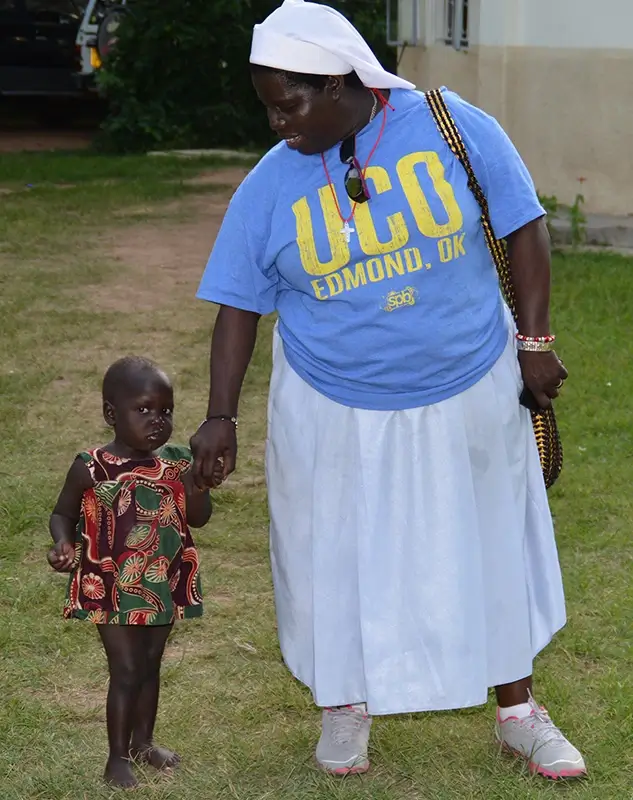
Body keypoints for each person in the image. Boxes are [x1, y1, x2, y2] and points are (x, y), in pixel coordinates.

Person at [191, 0, 586, 781]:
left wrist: (535, 342)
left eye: (289, 103)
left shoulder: (451, 125)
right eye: (268, 106)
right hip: (332, 401)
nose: (277, 123)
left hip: (466, 379)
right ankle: (345, 708)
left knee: (490, 540)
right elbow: (237, 306)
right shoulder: (271, 185)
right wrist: (219, 416)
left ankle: (518, 714)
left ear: (341, 81)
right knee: (331, 554)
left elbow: (521, 223)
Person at [47, 356, 215, 788]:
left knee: (150, 663)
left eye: (165, 410)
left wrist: (196, 484)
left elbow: (198, 519)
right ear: (111, 414)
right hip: (110, 584)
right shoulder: (91, 466)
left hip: (161, 581)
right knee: (125, 669)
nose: (157, 420)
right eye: (143, 410)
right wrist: (63, 543)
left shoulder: (178, 463)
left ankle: (144, 742)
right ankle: (116, 758)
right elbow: (62, 514)